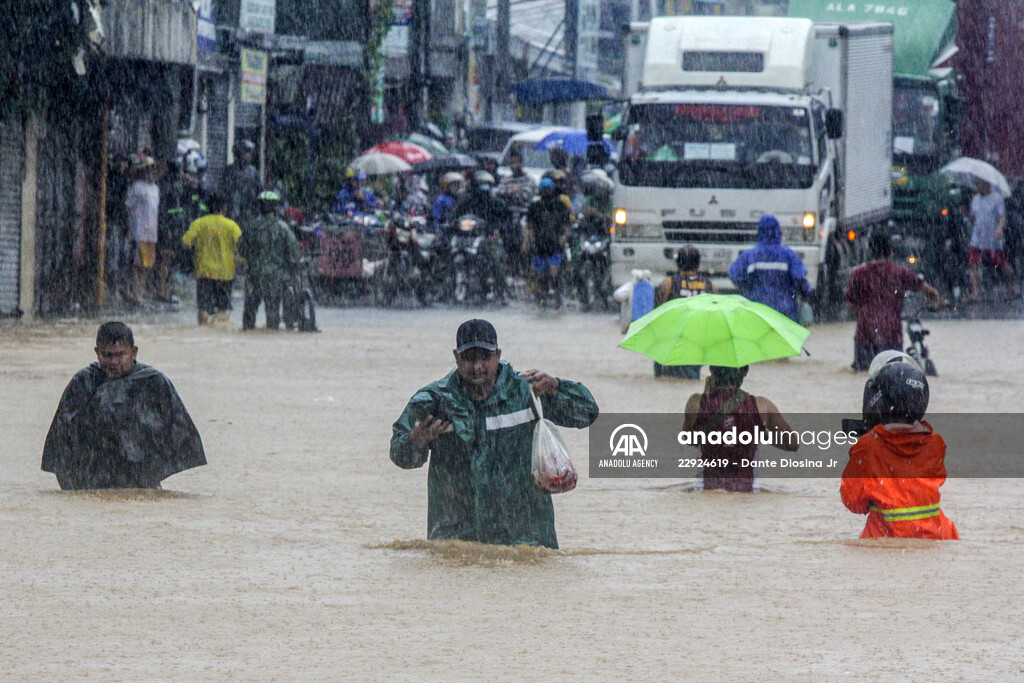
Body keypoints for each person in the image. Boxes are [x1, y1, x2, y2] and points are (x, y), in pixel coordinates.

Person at [390, 319, 599, 548]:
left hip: (526, 538)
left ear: (498, 355)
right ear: (456, 357)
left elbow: (588, 414)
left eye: (485, 357)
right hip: (456, 541)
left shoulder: (527, 391)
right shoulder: (434, 401)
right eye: (469, 358)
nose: (478, 366)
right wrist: (416, 440)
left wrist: (558, 387)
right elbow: (399, 455)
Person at [41, 322, 206, 490]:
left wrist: (150, 461)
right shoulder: (83, 383)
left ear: (133, 353)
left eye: (120, 355)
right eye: (107, 355)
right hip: (93, 478)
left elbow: (179, 431)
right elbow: (62, 436)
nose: (114, 361)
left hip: (139, 478)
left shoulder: (152, 382)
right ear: (97, 353)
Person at [840, 355, 959, 539]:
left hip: (883, 542)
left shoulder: (867, 446)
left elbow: (852, 500)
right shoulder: (935, 443)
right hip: (938, 537)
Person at [682, 365, 799, 492]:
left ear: (711, 370)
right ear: (745, 371)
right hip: (748, 493)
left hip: (706, 491)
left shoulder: (695, 403)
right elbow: (792, 444)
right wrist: (760, 434)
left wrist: (706, 395)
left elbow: (690, 440)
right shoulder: (762, 406)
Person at [844, 232, 946, 372]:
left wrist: (864, 316)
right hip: (891, 334)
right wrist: (940, 301)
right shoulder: (900, 273)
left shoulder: (858, 274)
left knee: (864, 375)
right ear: (891, 252)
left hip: (865, 334)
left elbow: (850, 304)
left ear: (870, 251)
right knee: (892, 376)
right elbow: (927, 290)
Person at [728, 214, 811, 321]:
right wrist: (805, 294)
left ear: (759, 232)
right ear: (778, 232)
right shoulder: (788, 255)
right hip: (785, 314)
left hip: (756, 313)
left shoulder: (749, 256)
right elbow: (799, 278)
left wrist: (749, 288)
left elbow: (734, 275)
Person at [239, 191, 301, 331]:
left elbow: (242, 249)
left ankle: (249, 331)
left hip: (255, 275)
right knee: (272, 313)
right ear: (275, 207)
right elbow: (294, 254)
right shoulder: (283, 228)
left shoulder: (250, 228)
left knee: (250, 309)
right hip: (276, 276)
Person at [653, 246, 715, 379]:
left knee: (664, 382)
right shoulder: (709, 285)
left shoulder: (668, 283)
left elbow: (656, 315)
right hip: (695, 347)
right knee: (690, 382)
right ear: (698, 263)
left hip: (670, 345)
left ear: (677, 263)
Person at [181, 194, 242, 326]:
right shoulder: (232, 226)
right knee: (223, 307)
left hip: (204, 271)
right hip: (225, 273)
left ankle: (202, 331)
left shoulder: (199, 223)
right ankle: (218, 333)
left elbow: (186, 242)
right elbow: (241, 247)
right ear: (224, 208)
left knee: (203, 306)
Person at [452, 170, 511, 303]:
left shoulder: (495, 203)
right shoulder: (465, 201)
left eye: (486, 184)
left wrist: (496, 231)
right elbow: (454, 217)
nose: (484, 187)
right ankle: (445, 290)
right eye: (481, 183)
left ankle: (503, 292)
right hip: (465, 239)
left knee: (495, 260)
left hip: (487, 239)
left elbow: (504, 221)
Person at [523, 177, 573, 309]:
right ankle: (542, 300)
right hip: (539, 246)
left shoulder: (560, 206)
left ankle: (558, 299)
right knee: (540, 277)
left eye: (547, 190)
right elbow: (529, 226)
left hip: (554, 246)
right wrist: (525, 242)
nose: (545, 193)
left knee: (554, 275)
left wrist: (563, 238)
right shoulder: (534, 207)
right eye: (543, 190)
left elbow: (567, 225)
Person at [967, 178, 1017, 301]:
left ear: (987, 184)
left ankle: (1012, 288)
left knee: (1001, 265)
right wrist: (966, 214)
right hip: (977, 238)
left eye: (979, 184)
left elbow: (1002, 216)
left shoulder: (997, 198)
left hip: (992, 239)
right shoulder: (975, 199)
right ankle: (976, 293)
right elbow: (974, 216)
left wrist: (1000, 229)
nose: (977, 187)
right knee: (973, 264)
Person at [124, 155, 161, 305]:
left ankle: (139, 292)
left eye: (153, 169)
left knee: (147, 265)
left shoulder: (156, 189)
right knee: (137, 264)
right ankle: (134, 291)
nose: (151, 172)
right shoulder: (136, 187)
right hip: (138, 231)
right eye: (149, 169)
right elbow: (127, 207)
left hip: (152, 232)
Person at [222, 139, 261, 222]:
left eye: (250, 152)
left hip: (248, 210)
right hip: (233, 209)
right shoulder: (230, 170)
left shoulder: (253, 171)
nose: (248, 155)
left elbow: (259, 190)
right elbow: (225, 189)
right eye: (246, 152)